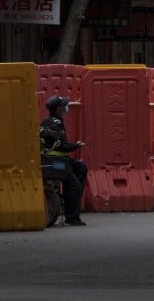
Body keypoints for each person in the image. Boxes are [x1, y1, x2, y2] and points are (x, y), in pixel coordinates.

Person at [39, 94, 89, 226]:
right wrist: (76, 145)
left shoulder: (48, 121)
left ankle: (71, 198)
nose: (67, 107)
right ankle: (72, 218)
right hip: (56, 163)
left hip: (58, 160)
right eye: (65, 106)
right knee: (75, 185)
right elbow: (62, 146)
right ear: (58, 109)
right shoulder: (56, 124)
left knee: (81, 167)